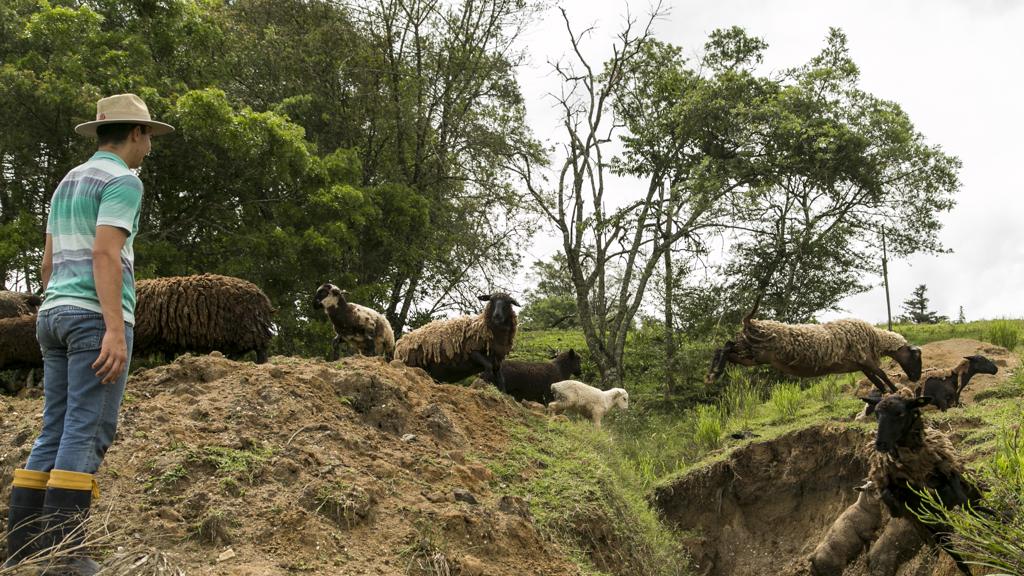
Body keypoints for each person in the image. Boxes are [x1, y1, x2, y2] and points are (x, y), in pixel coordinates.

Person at [4, 94, 173, 573]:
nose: (149, 147)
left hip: (52, 315)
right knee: (87, 428)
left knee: (53, 427)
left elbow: (47, 264)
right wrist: (114, 329)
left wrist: (61, 300)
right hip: (93, 318)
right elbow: (105, 255)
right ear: (135, 134)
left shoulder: (67, 182)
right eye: (149, 137)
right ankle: (65, 558)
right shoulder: (124, 181)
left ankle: (22, 552)